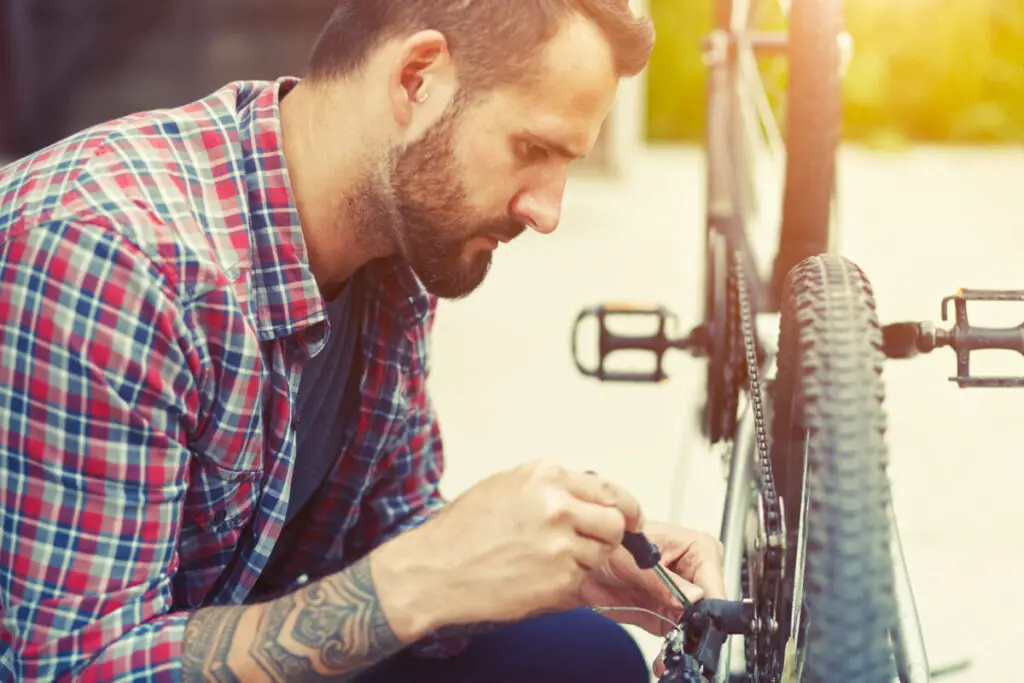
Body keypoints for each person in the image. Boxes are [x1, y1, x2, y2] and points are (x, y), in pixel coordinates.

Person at [0, 1, 727, 681]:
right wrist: (425, 574)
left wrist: (564, 564)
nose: (547, 210)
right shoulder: (112, 254)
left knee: (582, 657)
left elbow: (378, 535)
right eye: (531, 146)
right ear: (417, 79)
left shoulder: (395, 248)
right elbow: (70, 664)